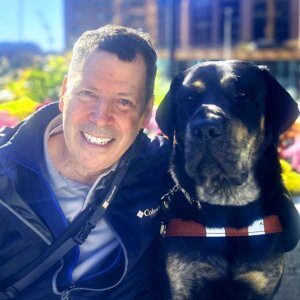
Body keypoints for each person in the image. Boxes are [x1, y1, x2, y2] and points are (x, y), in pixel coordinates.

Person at [0, 25, 171, 299]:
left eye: (124, 102)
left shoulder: (163, 170)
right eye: (88, 94)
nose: (101, 117)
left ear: (145, 113)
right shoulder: (4, 171)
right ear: (65, 91)